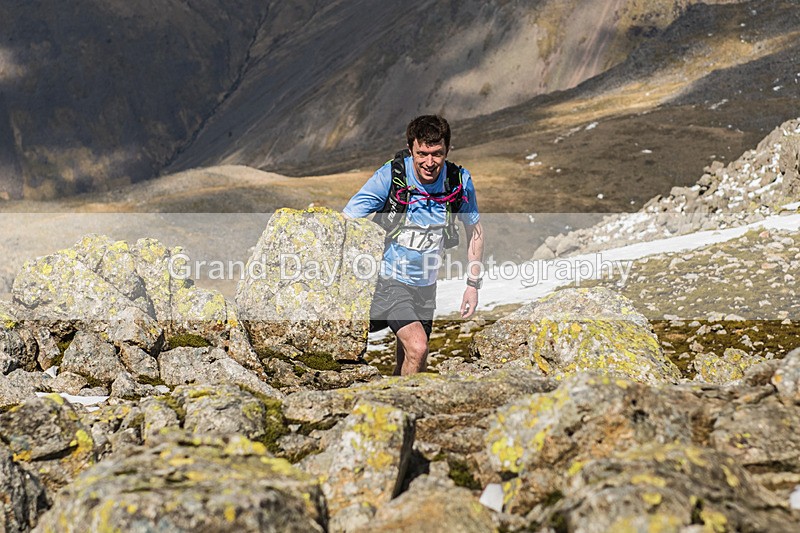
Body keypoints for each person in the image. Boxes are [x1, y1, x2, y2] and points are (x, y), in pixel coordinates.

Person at [343, 115, 484, 375]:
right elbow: (348, 218)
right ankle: (398, 406)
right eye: (422, 153)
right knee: (418, 346)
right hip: (389, 281)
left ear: (447, 150)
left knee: (411, 360)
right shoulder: (391, 176)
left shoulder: (459, 181)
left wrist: (472, 286)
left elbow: (474, 230)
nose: (429, 163)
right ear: (411, 150)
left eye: (437, 154)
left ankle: (394, 404)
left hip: (426, 286)